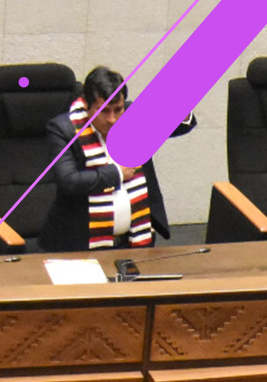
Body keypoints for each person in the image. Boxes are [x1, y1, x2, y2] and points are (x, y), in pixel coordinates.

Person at [40, 67, 195, 252]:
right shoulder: (63, 129)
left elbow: (178, 125)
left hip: (135, 239)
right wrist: (116, 174)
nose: (112, 119)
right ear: (86, 105)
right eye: (104, 111)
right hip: (81, 243)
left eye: (117, 110)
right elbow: (69, 181)